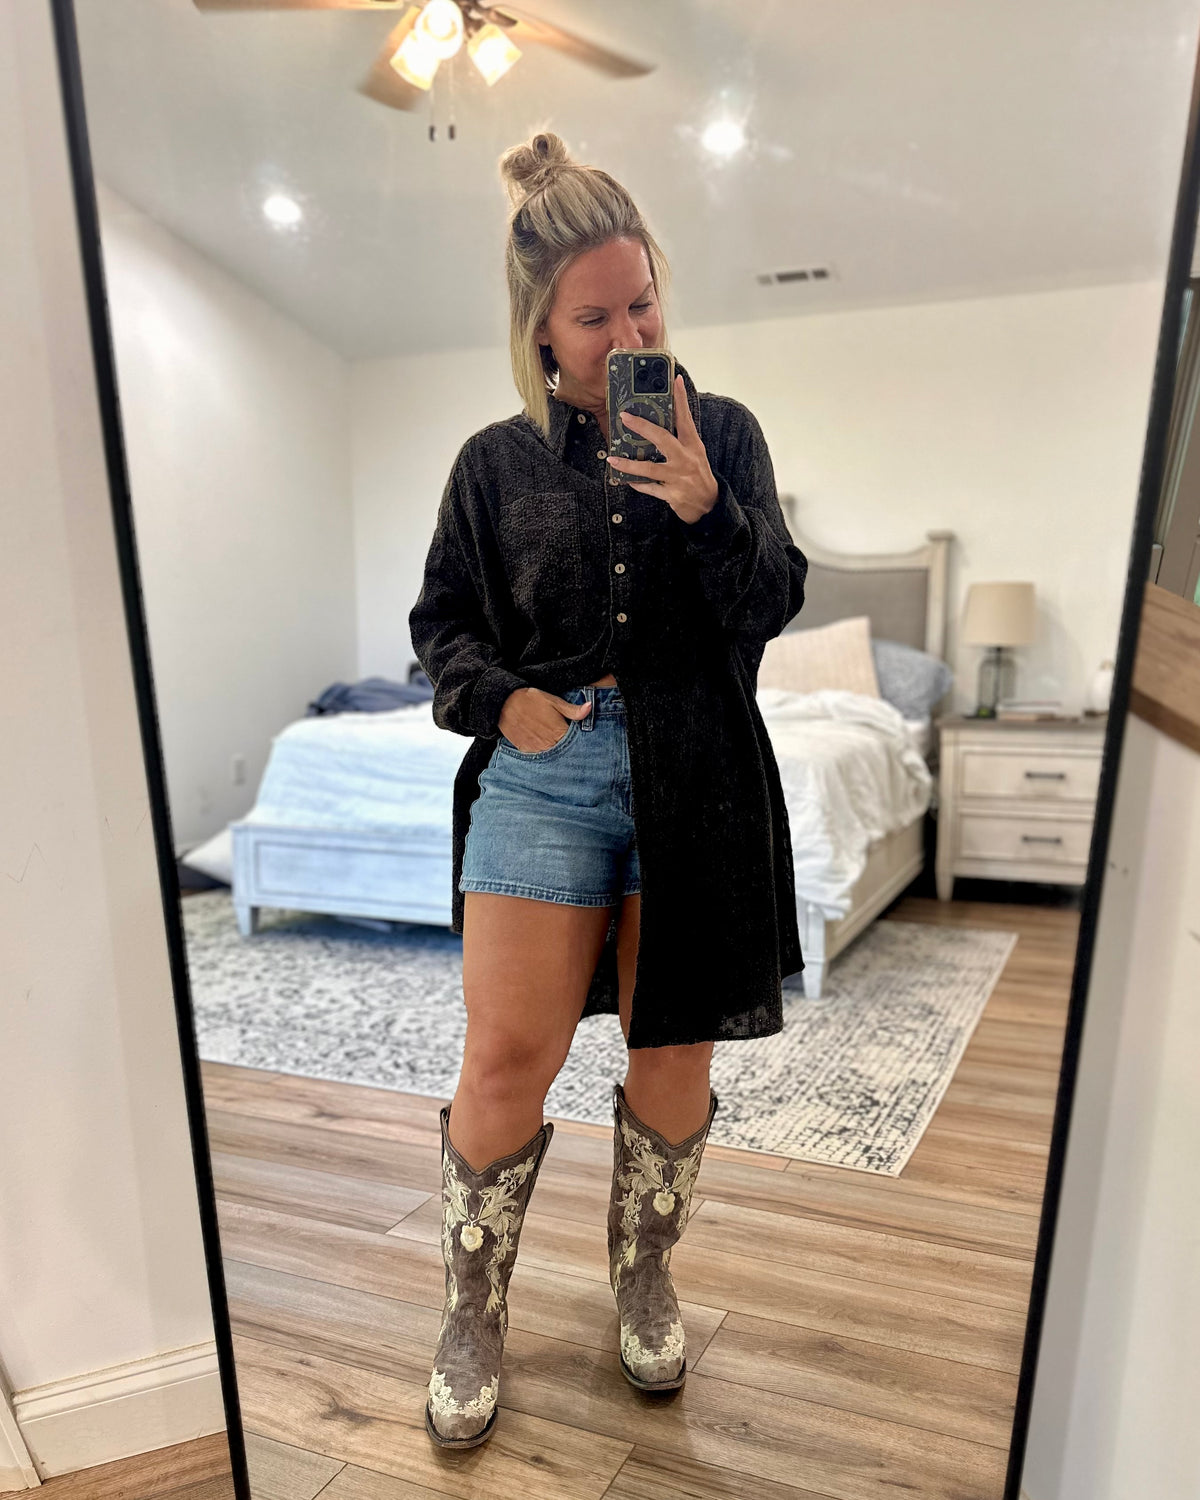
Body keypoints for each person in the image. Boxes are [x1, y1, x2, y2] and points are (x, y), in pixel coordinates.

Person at [409, 130, 808, 1449]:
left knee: (671, 1044)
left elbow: (770, 602)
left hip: (698, 771)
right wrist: (497, 700)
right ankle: (473, 1311)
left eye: (643, 302)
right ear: (539, 327)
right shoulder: (491, 465)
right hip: (548, 771)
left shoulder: (723, 434)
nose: (630, 333)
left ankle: (645, 1276)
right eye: (595, 318)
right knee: (504, 1053)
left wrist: (707, 505)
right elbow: (441, 625)